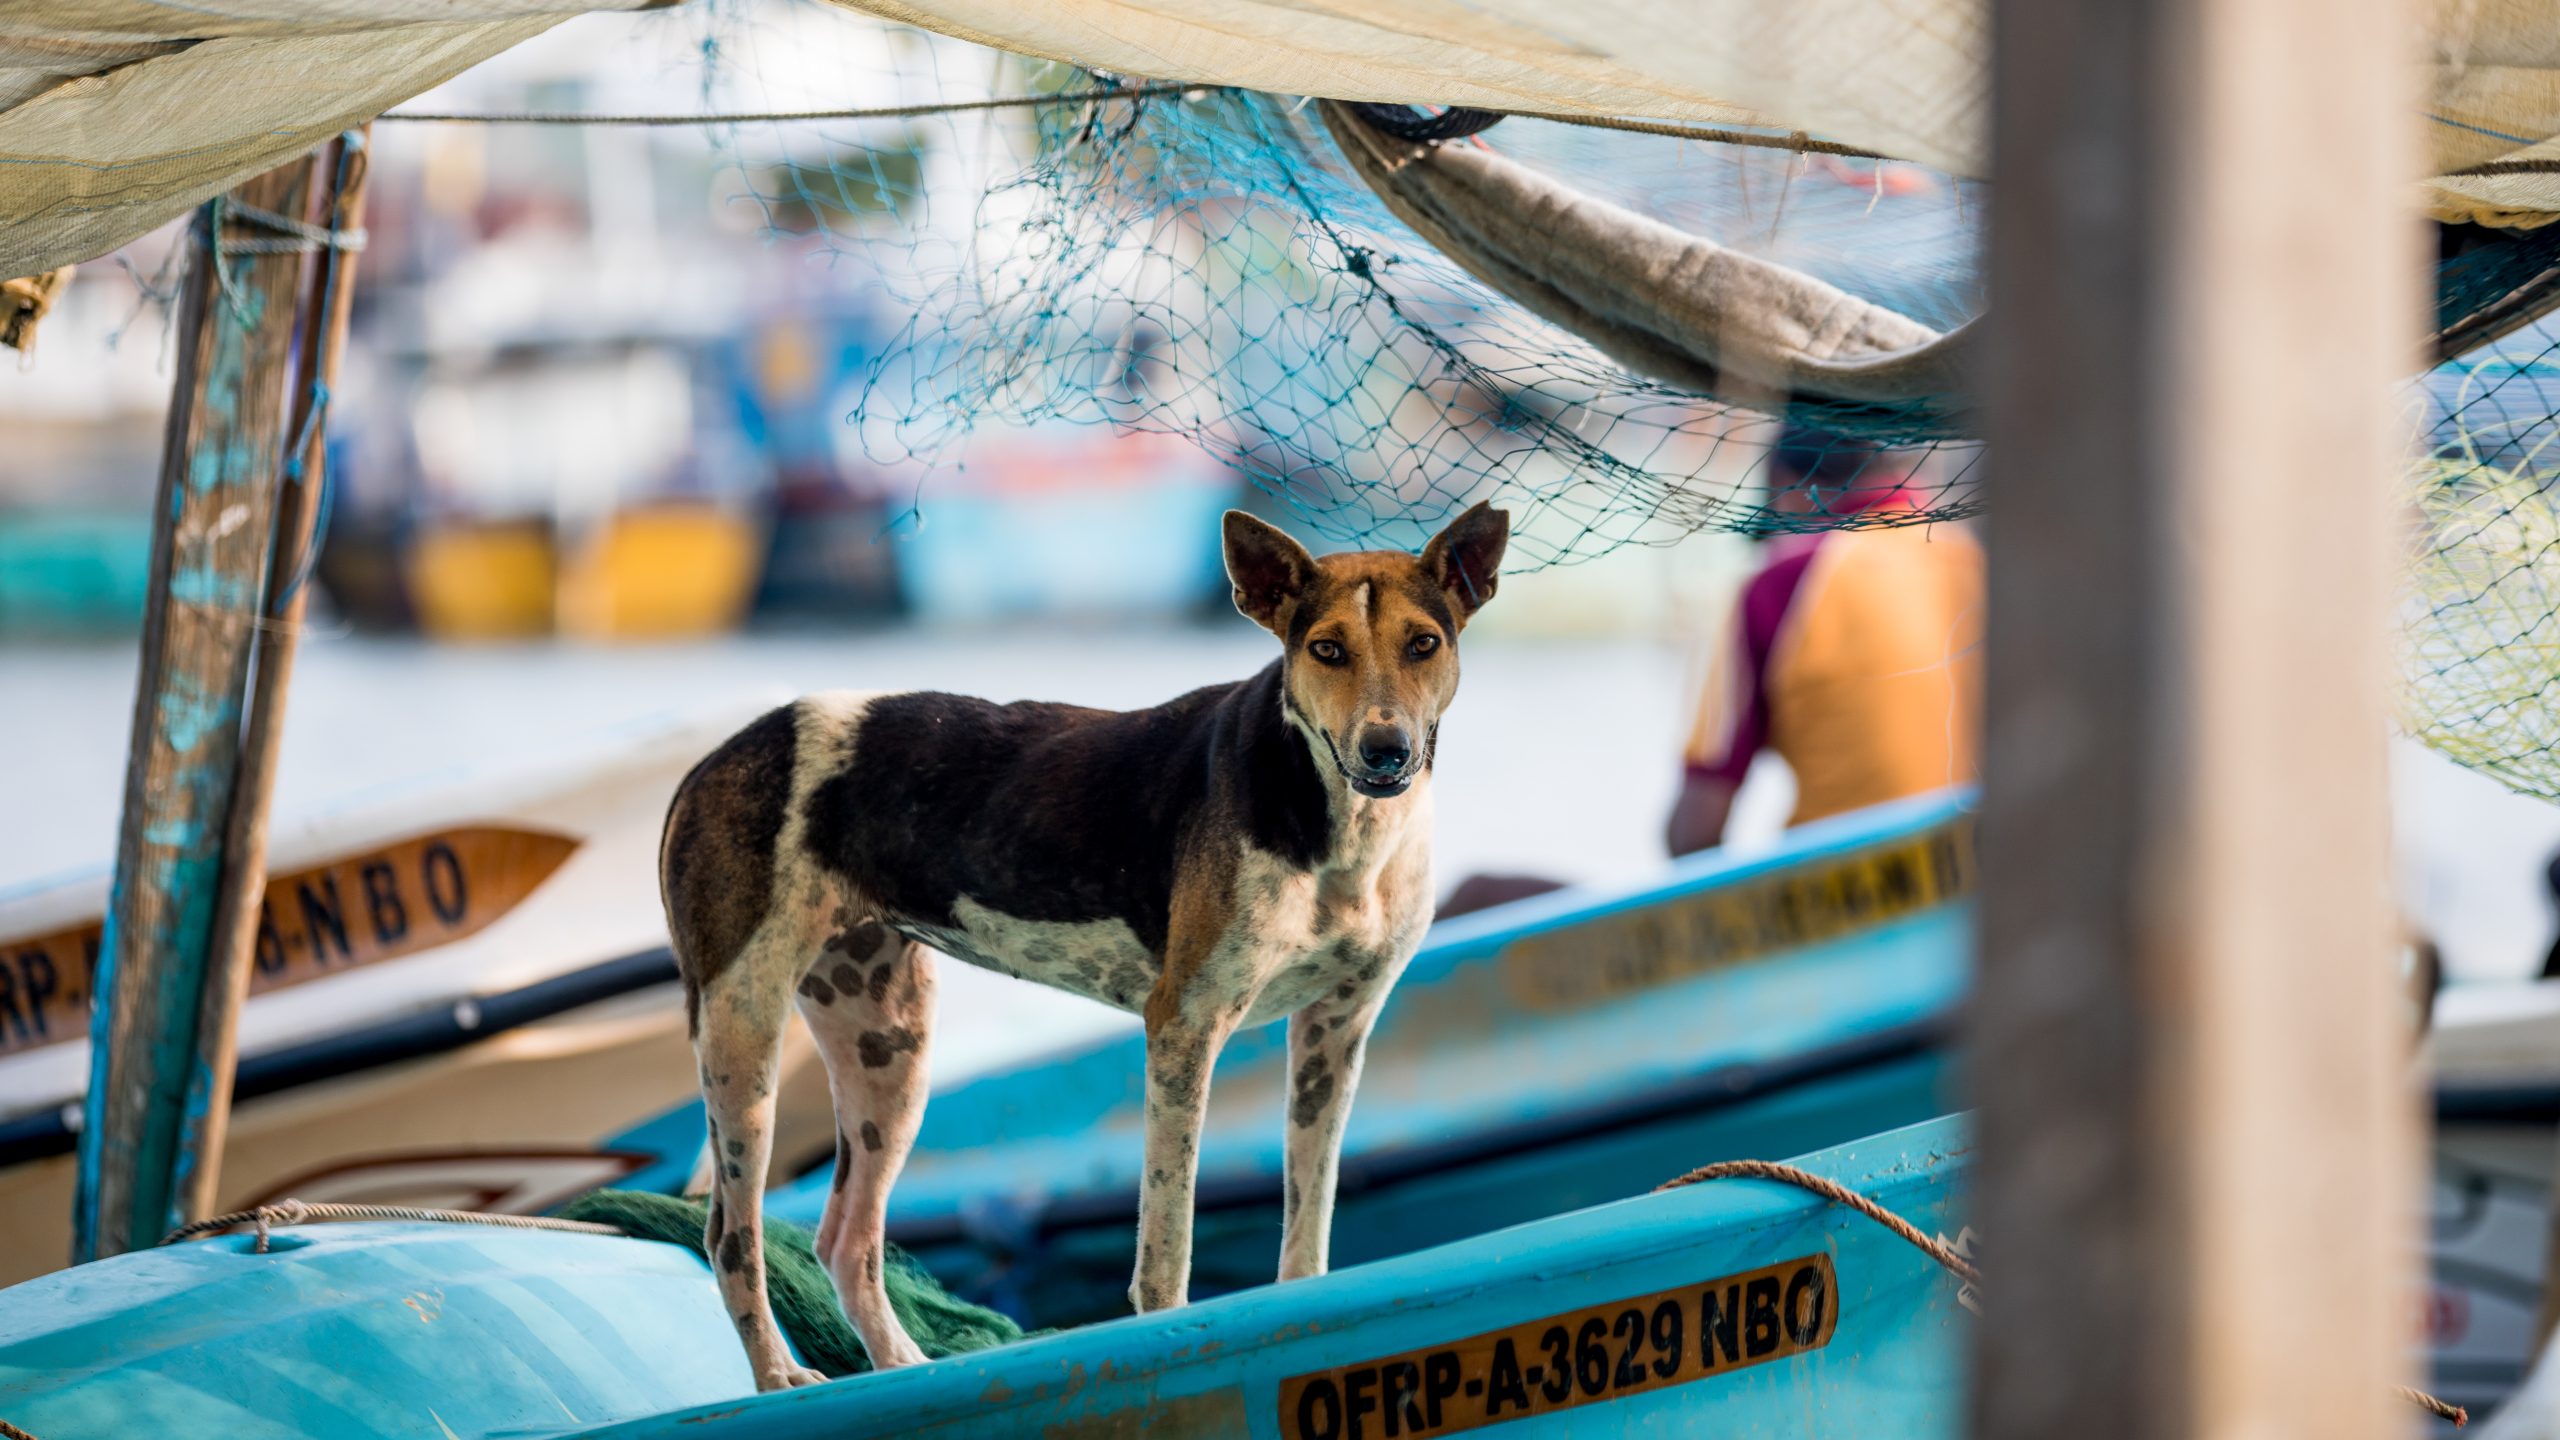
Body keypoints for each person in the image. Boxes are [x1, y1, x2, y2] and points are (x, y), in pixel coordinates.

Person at [1666, 423, 1985, 857]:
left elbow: (1695, 830)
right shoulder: (1976, 560)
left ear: (1787, 489)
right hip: (1986, 864)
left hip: (1849, 888)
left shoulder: (1781, 583)